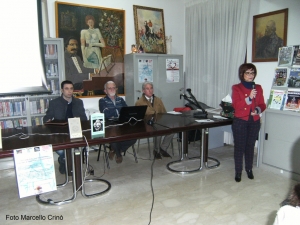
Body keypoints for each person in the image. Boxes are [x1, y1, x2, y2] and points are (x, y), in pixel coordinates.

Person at [231, 63, 266, 182]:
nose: (251, 75)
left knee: (250, 146)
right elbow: (236, 105)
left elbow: (262, 104)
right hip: (240, 121)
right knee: (239, 147)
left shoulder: (259, 88)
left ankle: (249, 169)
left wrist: (257, 110)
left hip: (254, 121)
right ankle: (238, 171)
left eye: (252, 73)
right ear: (242, 74)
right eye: (248, 73)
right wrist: (249, 98)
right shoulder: (236, 88)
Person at [43, 80, 87, 174]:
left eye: (71, 89)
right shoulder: (54, 103)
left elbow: (84, 118)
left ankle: (71, 164)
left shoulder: (79, 102)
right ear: (62, 90)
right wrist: (48, 121)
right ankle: (64, 161)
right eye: (66, 89)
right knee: (62, 151)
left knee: (79, 148)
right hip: (60, 134)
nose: (69, 91)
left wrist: (79, 121)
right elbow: (47, 117)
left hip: (75, 132)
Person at [99, 81, 136, 164]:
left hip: (122, 123)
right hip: (109, 124)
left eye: (114, 87)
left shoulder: (121, 99)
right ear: (105, 91)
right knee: (114, 135)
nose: (112, 89)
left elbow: (126, 111)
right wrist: (119, 111)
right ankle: (119, 154)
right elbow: (106, 114)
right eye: (109, 88)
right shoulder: (102, 101)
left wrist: (114, 112)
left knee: (134, 137)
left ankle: (115, 150)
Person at [135, 81, 173, 159]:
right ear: (143, 91)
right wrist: (155, 113)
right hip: (147, 124)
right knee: (158, 130)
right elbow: (141, 117)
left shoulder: (158, 100)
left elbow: (163, 112)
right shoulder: (139, 102)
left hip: (159, 122)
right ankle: (156, 150)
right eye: (147, 89)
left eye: (151, 88)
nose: (150, 90)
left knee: (172, 129)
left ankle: (163, 148)